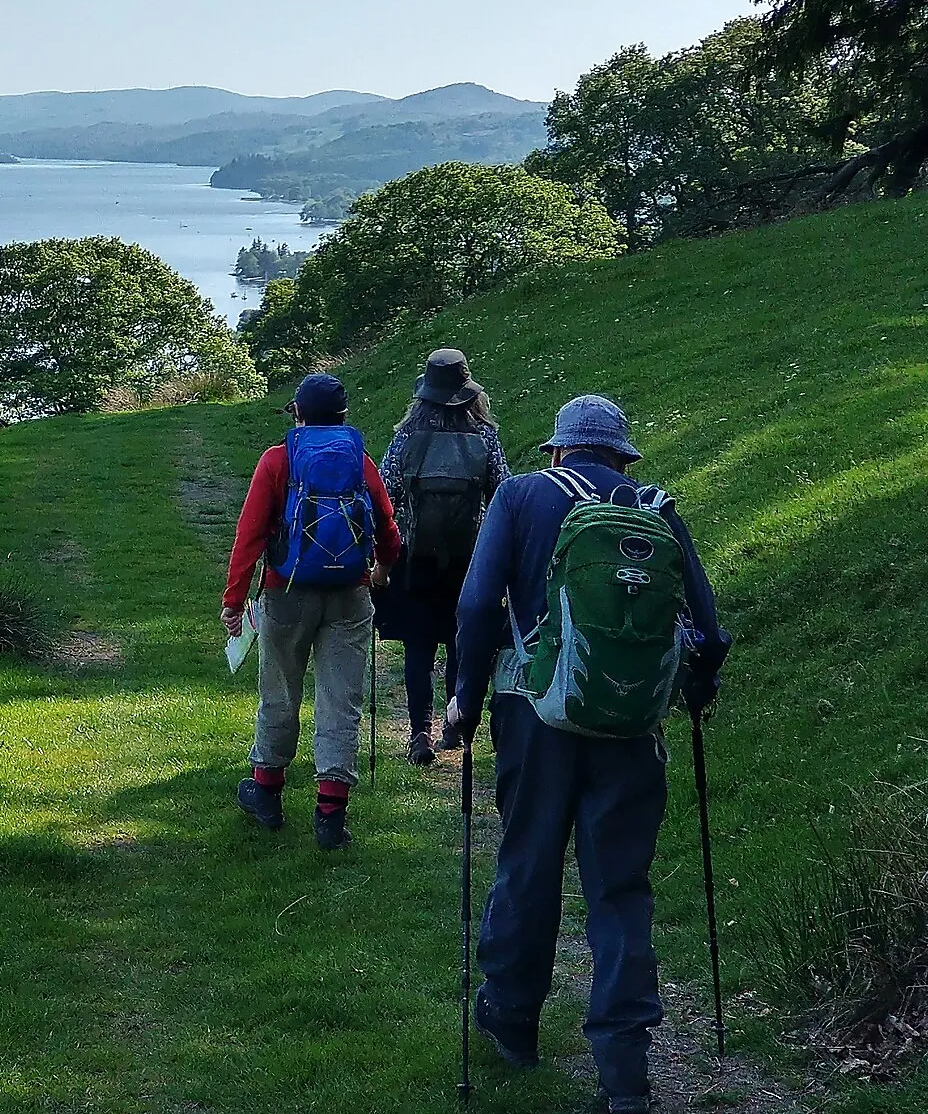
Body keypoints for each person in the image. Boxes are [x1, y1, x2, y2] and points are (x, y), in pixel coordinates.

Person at [445, 394, 731, 1114]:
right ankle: (625, 1069)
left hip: (533, 716)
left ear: (557, 452)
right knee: (620, 890)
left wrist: (466, 698)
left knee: (528, 862)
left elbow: (478, 606)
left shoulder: (519, 496)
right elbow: (708, 627)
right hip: (632, 726)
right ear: (622, 456)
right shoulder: (654, 507)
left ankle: (512, 1020)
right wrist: (695, 694)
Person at [222, 372, 402, 850]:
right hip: (350, 593)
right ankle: (330, 814)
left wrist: (235, 599)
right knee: (341, 701)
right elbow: (388, 528)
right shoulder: (359, 462)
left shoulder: (278, 460)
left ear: (298, 414)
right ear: (344, 417)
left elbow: (251, 535)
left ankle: (266, 792)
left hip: (286, 592)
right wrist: (381, 571)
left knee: (280, 692)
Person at [377, 348, 509, 765]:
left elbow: (385, 493)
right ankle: (454, 725)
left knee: (418, 649)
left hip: (415, 560)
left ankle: (419, 732)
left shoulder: (407, 436)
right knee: (459, 643)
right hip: (468, 559)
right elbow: (502, 492)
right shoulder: (484, 437)